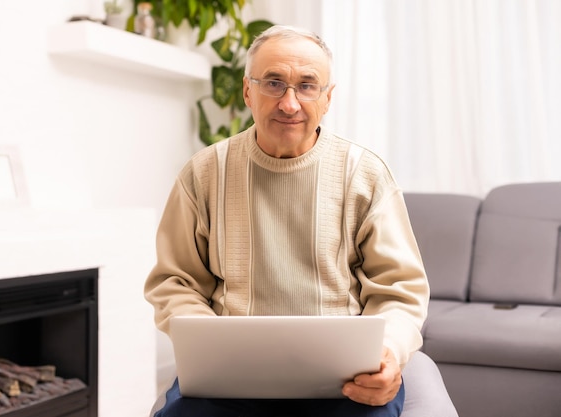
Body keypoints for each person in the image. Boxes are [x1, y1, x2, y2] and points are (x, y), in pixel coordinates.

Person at [144, 25, 430, 417]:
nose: (290, 104)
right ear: (248, 91)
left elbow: (400, 291)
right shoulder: (204, 172)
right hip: (229, 375)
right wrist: (208, 346)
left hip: (343, 379)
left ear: (328, 98)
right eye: (274, 83)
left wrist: (390, 352)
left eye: (307, 86)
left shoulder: (366, 174)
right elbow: (175, 281)